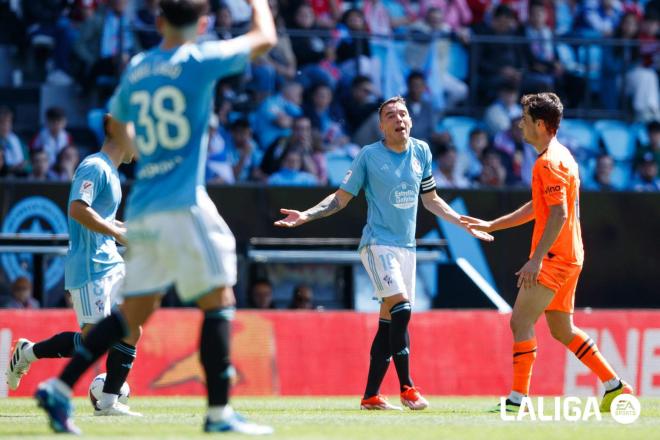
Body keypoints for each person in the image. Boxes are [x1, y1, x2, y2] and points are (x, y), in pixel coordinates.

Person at [34, 0, 277, 435]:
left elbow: (122, 126)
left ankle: (58, 386)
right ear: (203, 24)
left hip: (144, 203)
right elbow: (265, 39)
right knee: (219, 300)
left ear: (159, 21)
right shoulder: (199, 58)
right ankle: (219, 413)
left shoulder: (139, 67)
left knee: (133, 313)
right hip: (183, 200)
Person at [275, 96, 493, 411]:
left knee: (389, 324)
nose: (398, 119)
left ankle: (370, 396)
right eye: (390, 115)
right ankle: (407, 387)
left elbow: (430, 200)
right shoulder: (369, 156)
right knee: (401, 307)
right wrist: (306, 215)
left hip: (407, 248)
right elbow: (339, 199)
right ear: (381, 126)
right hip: (377, 244)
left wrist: (462, 223)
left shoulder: (422, 151)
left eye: (403, 113)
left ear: (411, 120)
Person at [460, 93, 632, 413]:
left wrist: (536, 259)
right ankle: (614, 385)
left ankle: (516, 401)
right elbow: (541, 207)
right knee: (561, 329)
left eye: (525, 119)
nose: (520, 124)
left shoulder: (549, 162)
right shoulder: (560, 154)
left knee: (520, 322)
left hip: (555, 257)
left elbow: (558, 214)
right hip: (571, 254)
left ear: (540, 124)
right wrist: (493, 224)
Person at [6, 114, 140, 417]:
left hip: (109, 261)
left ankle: (108, 402)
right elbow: (78, 209)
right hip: (89, 266)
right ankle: (27, 353)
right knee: (97, 341)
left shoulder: (114, 174)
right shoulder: (95, 166)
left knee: (132, 325)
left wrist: (124, 229)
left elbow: (102, 218)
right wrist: (117, 232)